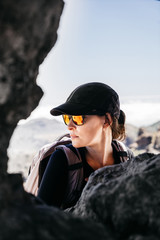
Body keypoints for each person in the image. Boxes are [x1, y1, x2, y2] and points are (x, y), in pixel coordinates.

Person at [37, 82, 134, 209]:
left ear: (106, 120)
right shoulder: (62, 160)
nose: (69, 126)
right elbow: (44, 220)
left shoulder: (126, 158)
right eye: (67, 118)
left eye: (78, 118)